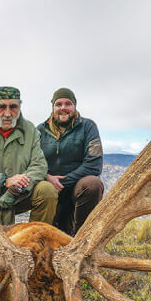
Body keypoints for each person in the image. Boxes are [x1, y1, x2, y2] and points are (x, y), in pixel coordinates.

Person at [0, 86, 58, 225]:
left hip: (21, 194)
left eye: (13, 107)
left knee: (47, 191)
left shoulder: (30, 130)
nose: (7, 113)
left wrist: (15, 188)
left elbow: (39, 165)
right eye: (1, 107)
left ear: (19, 107)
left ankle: (36, 240)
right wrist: (4, 182)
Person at [37, 88, 104, 235]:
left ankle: (82, 238)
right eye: (58, 104)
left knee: (92, 184)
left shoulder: (88, 127)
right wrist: (48, 178)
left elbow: (94, 165)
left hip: (77, 187)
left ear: (74, 106)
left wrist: (62, 183)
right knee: (56, 235)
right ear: (53, 107)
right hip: (49, 188)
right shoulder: (39, 131)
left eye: (68, 103)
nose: (63, 108)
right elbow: (32, 163)